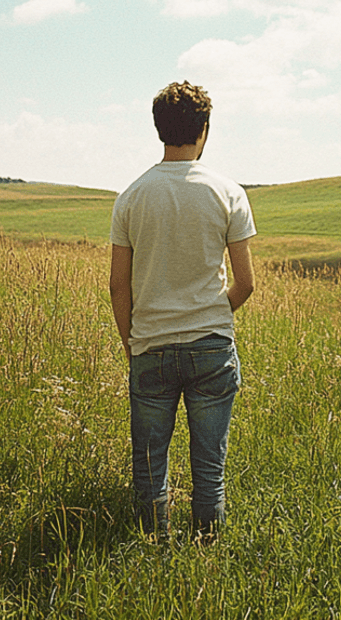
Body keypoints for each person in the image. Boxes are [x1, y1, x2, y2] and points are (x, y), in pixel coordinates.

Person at [109, 81, 256, 541]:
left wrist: (132, 342)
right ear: (204, 130)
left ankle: (152, 552)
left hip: (150, 345)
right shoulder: (227, 193)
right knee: (209, 468)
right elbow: (247, 284)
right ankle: (206, 554)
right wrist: (211, 313)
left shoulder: (132, 196)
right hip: (211, 347)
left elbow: (117, 285)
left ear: (158, 130)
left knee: (149, 468)